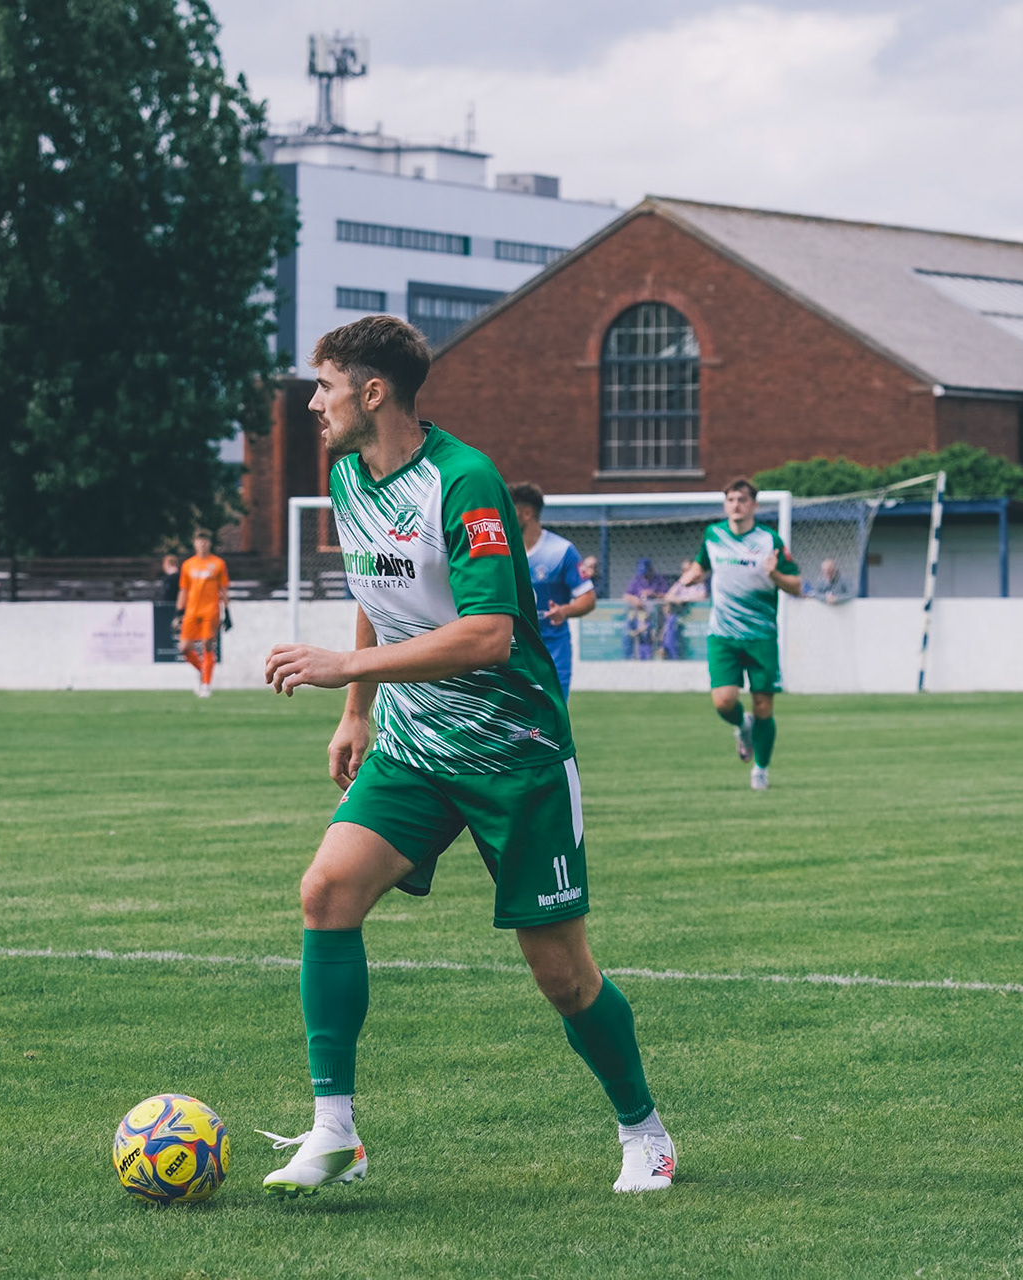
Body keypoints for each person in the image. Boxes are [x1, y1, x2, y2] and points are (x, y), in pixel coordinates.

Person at [259, 315, 674, 1198]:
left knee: (562, 975)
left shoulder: (465, 479)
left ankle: (645, 1131)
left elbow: (489, 635)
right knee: (327, 891)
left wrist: (344, 671)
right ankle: (336, 1134)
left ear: (373, 392)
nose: (313, 403)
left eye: (325, 386)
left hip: (513, 753)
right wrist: (358, 714)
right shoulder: (347, 475)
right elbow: (375, 587)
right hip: (413, 745)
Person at [667, 478, 801, 791]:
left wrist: (774, 573)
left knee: (764, 706)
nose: (736, 505)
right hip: (723, 635)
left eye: (742, 499)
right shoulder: (713, 535)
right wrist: (686, 581)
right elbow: (701, 566)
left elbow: (796, 585)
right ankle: (743, 725)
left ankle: (760, 770)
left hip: (761, 635)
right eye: (730, 500)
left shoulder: (769, 540)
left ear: (754, 505)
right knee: (724, 702)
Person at [510, 482, 594, 696]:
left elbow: (588, 597)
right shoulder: (504, 552)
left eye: (510, 510)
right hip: (514, 650)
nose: (504, 516)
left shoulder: (561, 551)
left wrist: (564, 611)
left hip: (553, 650)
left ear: (526, 513)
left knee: (554, 711)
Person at [176, 531, 229, 697]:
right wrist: (178, 612)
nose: (202, 544)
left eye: (205, 541)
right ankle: (203, 670)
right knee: (184, 648)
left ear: (209, 543)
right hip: (191, 611)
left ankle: (205, 685)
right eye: (200, 541)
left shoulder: (218, 563)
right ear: (195, 543)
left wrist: (227, 612)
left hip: (210, 610)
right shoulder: (188, 565)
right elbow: (183, 590)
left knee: (207, 644)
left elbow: (223, 589)